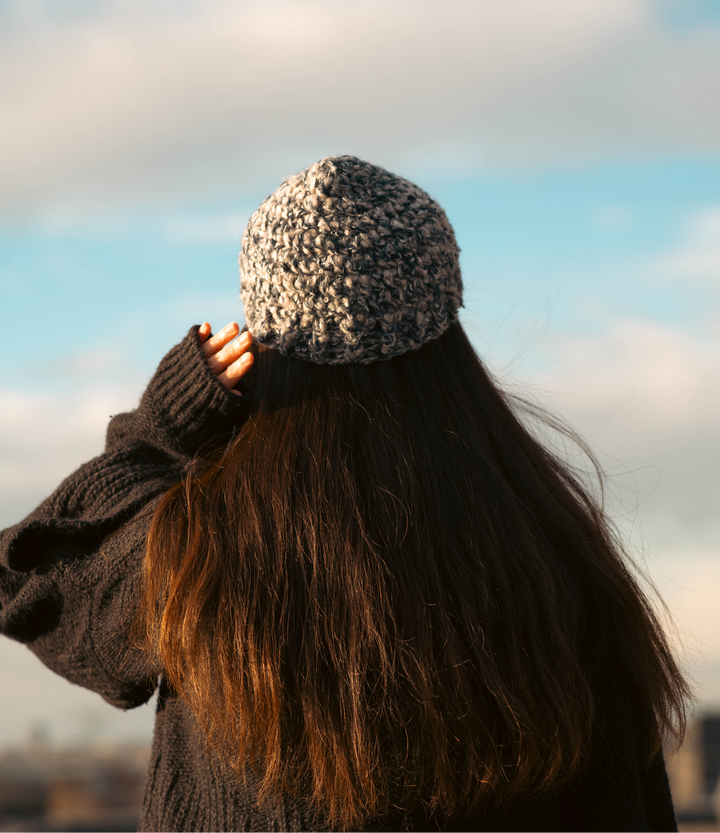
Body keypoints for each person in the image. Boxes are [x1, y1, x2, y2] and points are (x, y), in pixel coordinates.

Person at [0, 156, 688, 832]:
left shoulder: (193, 546)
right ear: (443, 313)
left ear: (263, 325)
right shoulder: (550, 546)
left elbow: (24, 582)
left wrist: (159, 432)